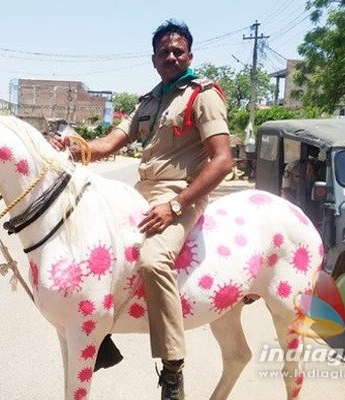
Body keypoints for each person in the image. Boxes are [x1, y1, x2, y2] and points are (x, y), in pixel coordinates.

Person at [50, 19, 233, 400]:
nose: (170, 56)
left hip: (182, 194)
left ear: (189, 55)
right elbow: (109, 143)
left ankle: (172, 371)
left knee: (152, 259)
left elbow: (222, 160)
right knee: (95, 249)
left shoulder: (203, 94)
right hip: (142, 193)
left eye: (177, 50)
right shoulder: (149, 100)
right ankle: (102, 341)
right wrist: (73, 144)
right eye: (164, 52)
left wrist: (176, 205)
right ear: (153, 59)